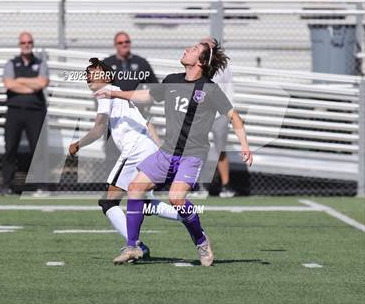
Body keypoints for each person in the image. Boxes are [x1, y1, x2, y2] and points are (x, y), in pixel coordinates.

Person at [95, 41, 253, 266]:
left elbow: (234, 117)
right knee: (135, 188)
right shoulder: (172, 80)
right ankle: (132, 247)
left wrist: (244, 145)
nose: (187, 49)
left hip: (192, 154)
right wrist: (116, 94)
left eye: (194, 49)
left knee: (176, 198)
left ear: (200, 62)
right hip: (167, 152)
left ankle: (201, 240)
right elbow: (147, 96)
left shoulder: (210, 89)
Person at [69, 58, 181, 257]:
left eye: (93, 71)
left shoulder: (106, 93)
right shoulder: (119, 94)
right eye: (87, 72)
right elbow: (147, 123)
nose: (88, 75)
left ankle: (135, 245)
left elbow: (99, 129)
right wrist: (161, 149)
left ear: (106, 76)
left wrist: (78, 144)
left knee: (108, 203)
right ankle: (187, 215)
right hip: (146, 149)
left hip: (135, 151)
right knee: (144, 202)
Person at [102, 32, 159, 177]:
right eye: (120, 42)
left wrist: (147, 101)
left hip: (137, 115)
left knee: (141, 150)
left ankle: (140, 186)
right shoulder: (107, 64)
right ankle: (112, 188)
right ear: (115, 45)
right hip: (114, 117)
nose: (124, 44)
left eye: (127, 41)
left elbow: (155, 87)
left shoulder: (141, 63)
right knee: (112, 153)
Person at [1, 32, 49, 195]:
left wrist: (20, 80)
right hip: (14, 111)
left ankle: (41, 186)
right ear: (19, 45)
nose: (26, 44)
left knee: (38, 149)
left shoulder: (40, 63)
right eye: (23, 42)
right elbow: (8, 84)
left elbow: (42, 83)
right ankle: (7, 186)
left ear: (32, 43)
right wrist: (31, 85)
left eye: (29, 42)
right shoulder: (11, 63)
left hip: (36, 112)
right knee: (10, 148)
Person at [202, 38, 236, 197]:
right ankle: (200, 186)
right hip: (201, 113)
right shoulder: (197, 63)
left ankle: (226, 186)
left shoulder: (224, 66)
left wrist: (229, 112)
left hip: (219, 113)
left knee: (220, 149)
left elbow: (229, 88)